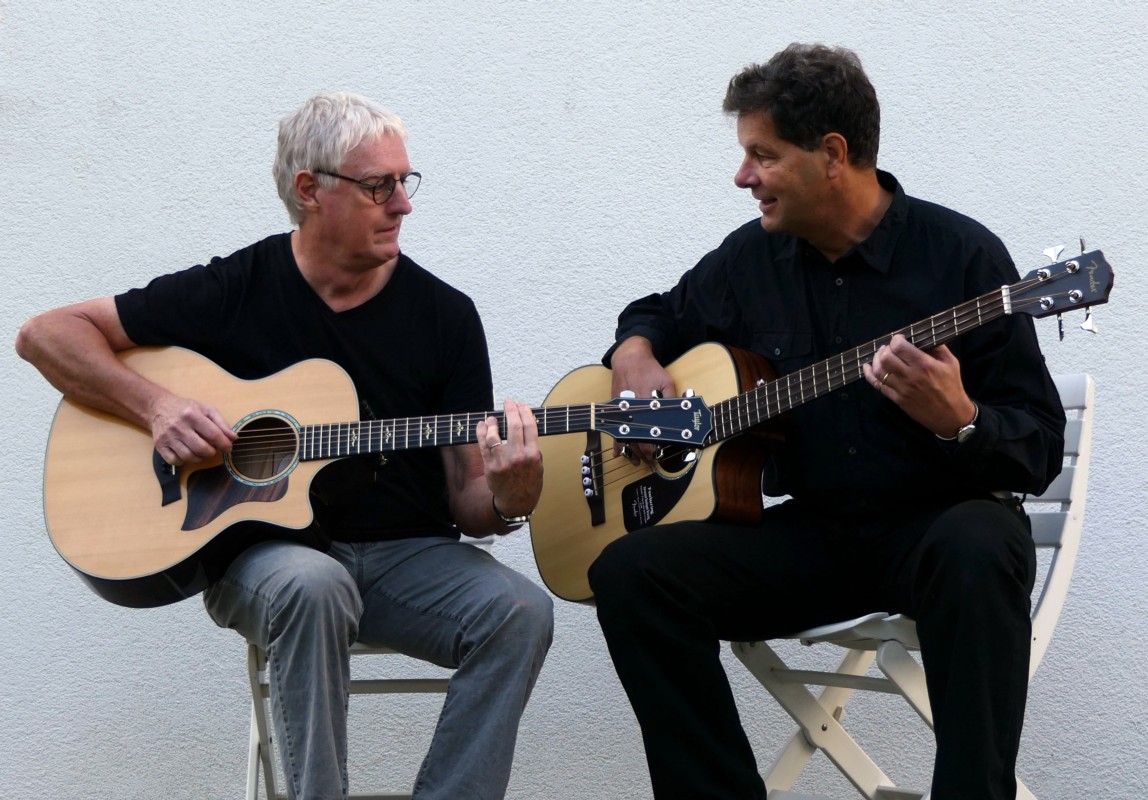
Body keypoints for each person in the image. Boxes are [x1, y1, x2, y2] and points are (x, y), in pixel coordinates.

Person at [16, 92, 553, 800]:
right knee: (315, 585)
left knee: (520, 612)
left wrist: (511, 499)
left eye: (405, 181)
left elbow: (468, 499)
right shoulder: (235, 289)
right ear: (310, 190)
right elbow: (46, 335)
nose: (402, 205)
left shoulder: (445, 315)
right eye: (379, 185)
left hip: (407, 558)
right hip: (266, 559)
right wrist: (157, 406)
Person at [588, 44, 1065, 800]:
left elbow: (1037, 446)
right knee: (630, 573)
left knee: (982, 544)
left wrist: (962, 420)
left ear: (833, 155)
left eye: (762, 156)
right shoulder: (752, 260)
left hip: (937, 532)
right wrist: (634, 352)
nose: (743, 177)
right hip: (815, 536)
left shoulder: (962, 258)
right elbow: (658, 313)